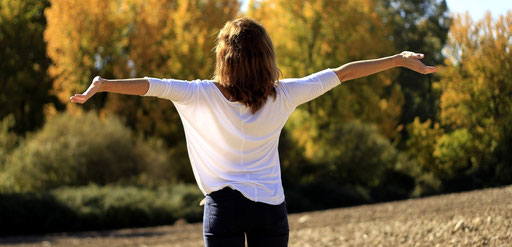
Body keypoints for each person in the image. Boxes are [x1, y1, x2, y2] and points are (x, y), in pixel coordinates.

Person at [70, 17, 437, 247]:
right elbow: (343, 72)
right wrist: (398, 60)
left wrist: (103, 84)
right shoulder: (285, 94)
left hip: (223, 209)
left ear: (223, 59)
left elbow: (151, 85)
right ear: (266, 56)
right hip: (270, 209)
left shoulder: (199, 94)